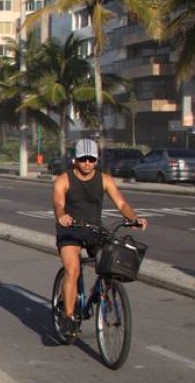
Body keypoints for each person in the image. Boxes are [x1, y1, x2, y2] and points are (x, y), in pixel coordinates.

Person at [52, 138, 148, 339]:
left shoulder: (105, 179)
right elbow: (59, 204)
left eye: (91, 159)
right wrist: (61, 215)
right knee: (73, 268)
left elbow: (122, 204)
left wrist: (133, 218)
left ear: (96, 160)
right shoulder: (64, 179)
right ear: (75, 160)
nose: (87, 163)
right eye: (83, 159)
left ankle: (104, 291)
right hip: (70, 230)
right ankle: (68, 317)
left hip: (94, 230)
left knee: (110, 264)